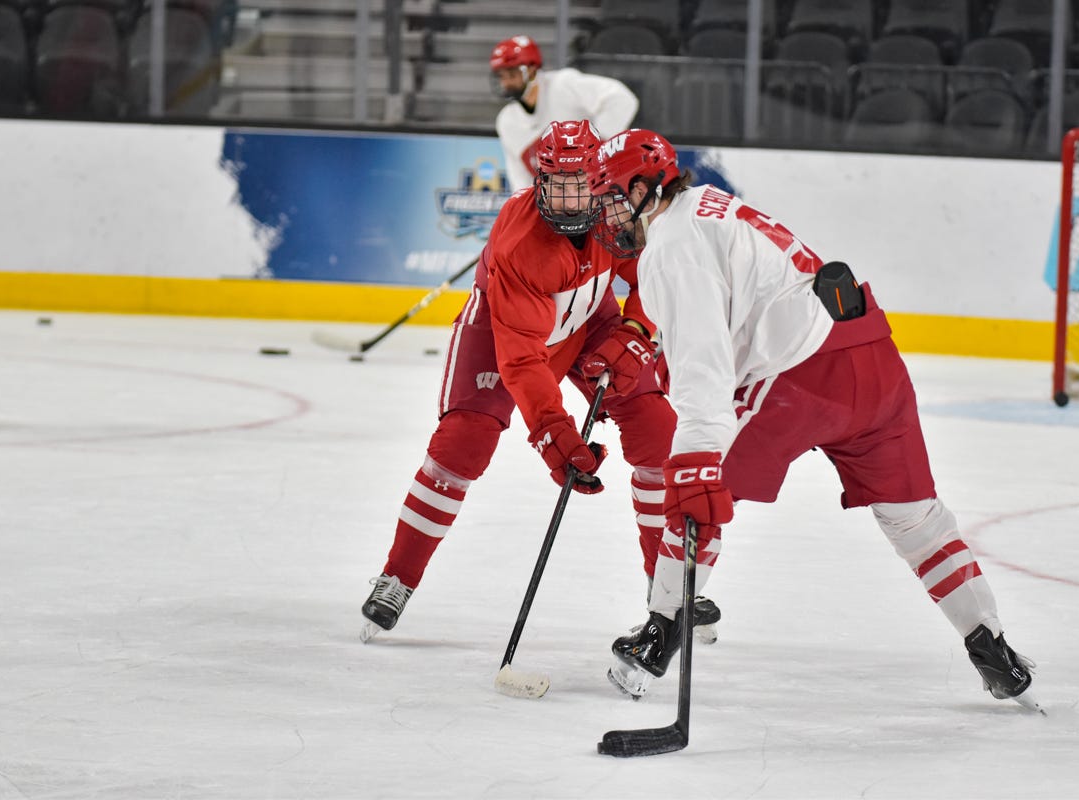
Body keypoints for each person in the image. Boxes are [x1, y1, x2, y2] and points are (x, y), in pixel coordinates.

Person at [585, 128, 1042, 712]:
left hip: (800, 376)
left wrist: (697, 452)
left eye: (613, 196)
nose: (607, 211)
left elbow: (705, 363)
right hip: (871, 355)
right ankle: (992, 646)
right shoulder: (713, 207)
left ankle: (659, 635)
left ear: (646, 189)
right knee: (917, 519)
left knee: (697, 484)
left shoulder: (671, 242)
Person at [359, 121, 720, 644]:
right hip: (501, 333)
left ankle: (665, 591)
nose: (572, 198)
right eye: (558, 185)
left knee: (655, 428)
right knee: (464, 441)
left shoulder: (614, 209)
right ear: (540, 182)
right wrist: (554, 431)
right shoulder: (520, 243)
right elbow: (524, 359)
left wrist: (638, 331)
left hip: (591, 320)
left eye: (581, 183)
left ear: (598, 177)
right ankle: (397, 576)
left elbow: (652, 272)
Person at [490, 35, 639, 192]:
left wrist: (599, 147)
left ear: (533, 69)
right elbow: (520, 181)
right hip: (560, 208)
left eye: (512, 74)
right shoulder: (507, 121)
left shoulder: (563, 85)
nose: (506, 83)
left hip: (603, 193)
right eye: (501, 76)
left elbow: (622, 99)